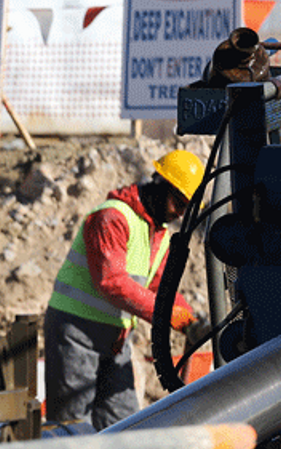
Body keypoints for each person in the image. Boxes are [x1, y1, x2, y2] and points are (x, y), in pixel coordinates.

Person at [43, 149, 204, 430]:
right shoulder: (112, 218)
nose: (179, 213)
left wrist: (188, 319)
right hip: (76, 333)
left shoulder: (159, 234)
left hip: (116, 339)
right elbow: (111, 281)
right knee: (71, 426)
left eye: (185, 208)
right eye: (178, 202)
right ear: (159, 185)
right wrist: (168, 316)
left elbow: (160, 288)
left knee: (124, 427)